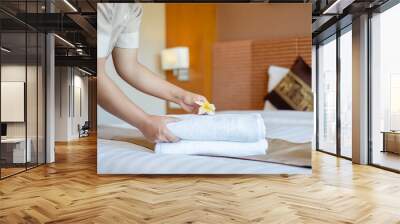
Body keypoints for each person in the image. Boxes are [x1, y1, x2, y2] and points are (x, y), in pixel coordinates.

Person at [97, 3, 207, 143]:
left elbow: (130, 67)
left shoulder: (133, 8)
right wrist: (144, 121)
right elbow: (95, 75)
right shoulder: (103, 5)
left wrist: (182, 96)